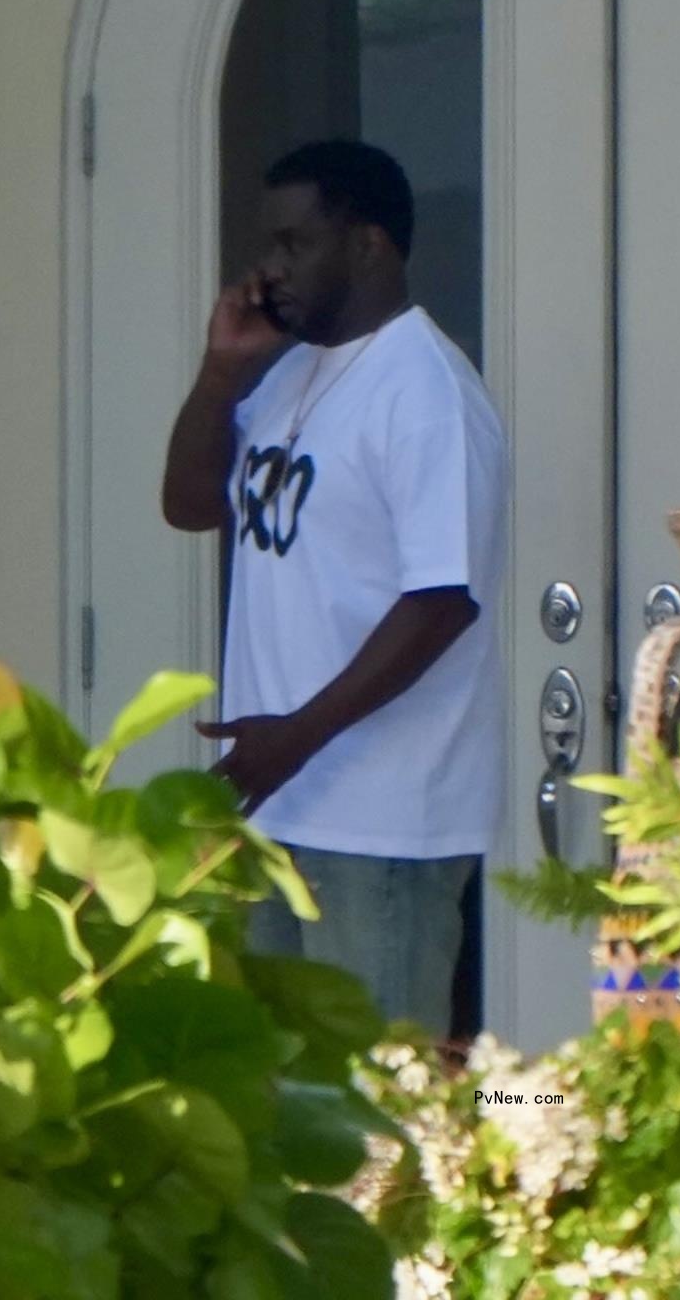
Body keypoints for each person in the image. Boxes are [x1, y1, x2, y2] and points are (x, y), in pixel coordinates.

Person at [160, 139, 508, 1035]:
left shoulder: (424, 389)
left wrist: (296, 738)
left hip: (382, 822)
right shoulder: (289, 376)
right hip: (282, 804)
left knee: (381, 1112)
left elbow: (442, 601)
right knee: (290, 1108)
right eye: (267, 247)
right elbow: (191, 504)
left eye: (294, 243)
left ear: (367, 245)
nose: (270, 269)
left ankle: (538, 1118)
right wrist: (220, 371)